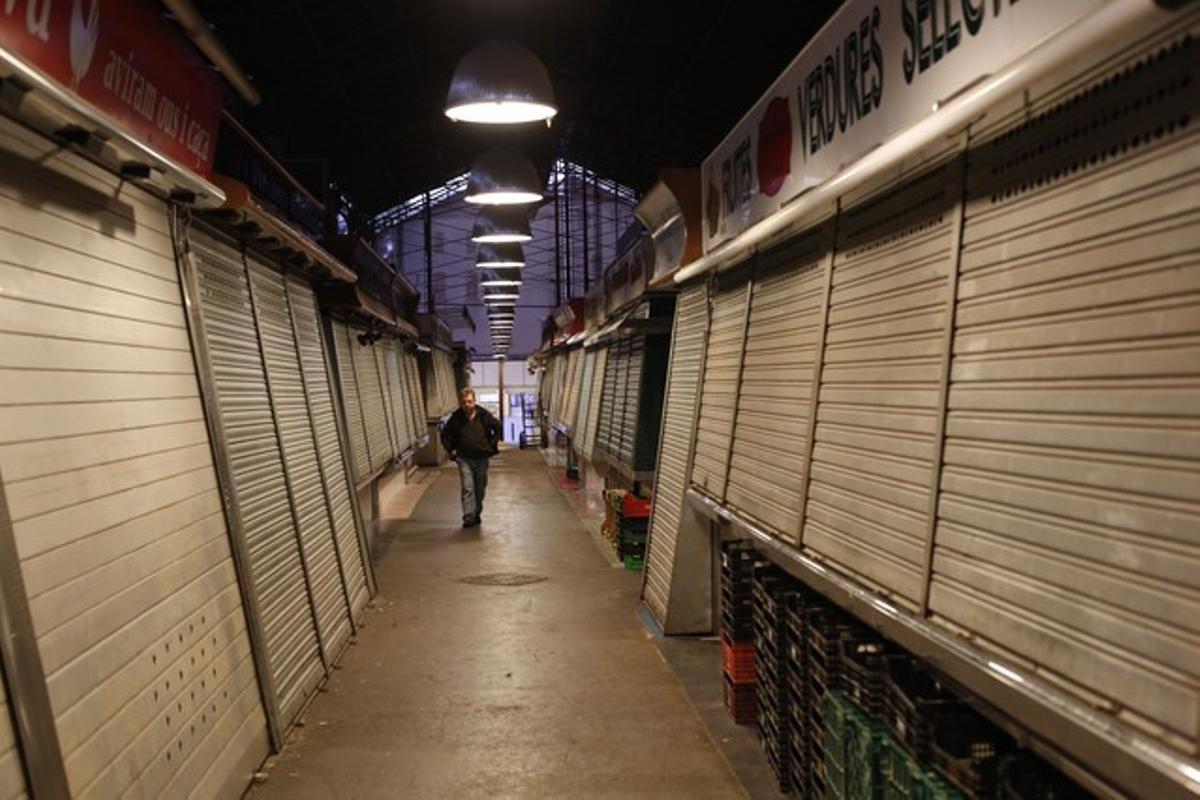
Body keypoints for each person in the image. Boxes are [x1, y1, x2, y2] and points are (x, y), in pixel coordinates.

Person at [440, 388, 502, 528]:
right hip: (464, 458)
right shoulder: (456, 417)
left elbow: (497, 427)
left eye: (469, 401)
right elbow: (445, 434)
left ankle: (476, 513)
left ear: (474, 401)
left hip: (481, 458)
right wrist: (451, 449)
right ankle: (468, 516)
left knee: (480, 488)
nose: (467, 405)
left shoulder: (483, 415)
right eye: (464, 402)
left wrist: (491, 445)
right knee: (468, 487)